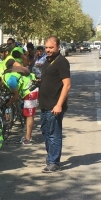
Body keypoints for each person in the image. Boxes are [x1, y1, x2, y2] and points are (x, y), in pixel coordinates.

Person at [37, 36, 71, 173]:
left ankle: (54, 162)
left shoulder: (62, 62)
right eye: (46, 47)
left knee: (54, 134)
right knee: (45, 132)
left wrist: (59, 105)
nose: (48, 50)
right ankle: (50, 156)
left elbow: (67, 85)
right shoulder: (47, 61)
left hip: (54, 105)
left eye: (51, 47)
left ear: (58, 47)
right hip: (44, 105)